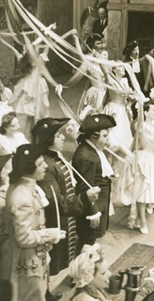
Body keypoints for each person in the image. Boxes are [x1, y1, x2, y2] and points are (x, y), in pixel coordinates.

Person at [33, 118, 101, 276]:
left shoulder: (56, 157)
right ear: (48, 140)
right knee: (50, 263)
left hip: (67, 218)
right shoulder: (47, 165)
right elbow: (55, 202)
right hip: (55, 221)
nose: (63, 137)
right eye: (58, 135)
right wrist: (85, 198)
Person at [0, 144, 65, 301]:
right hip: (25, 258)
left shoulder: (27, 186)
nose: (46, 166)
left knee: (38, 291)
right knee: (30, 295)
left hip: (34, 254)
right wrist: (49, 234)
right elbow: (23, 238)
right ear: (30, 169)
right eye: (40, 164)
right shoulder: (22, 197)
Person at [72, 114, 116, 249]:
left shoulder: (93, 150)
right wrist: (93, 212)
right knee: (87, 243)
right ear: (93, 136)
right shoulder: (87, 157)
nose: (107, 139)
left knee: (90, 241)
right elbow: (86, 188)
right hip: (91, 208)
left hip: (99, 203)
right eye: (104, 136)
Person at [128, 102, 154, 234]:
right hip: (144, 159)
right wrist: (140, 104)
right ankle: (142, 221)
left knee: (150, 191)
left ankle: (141, 218)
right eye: (152, 110)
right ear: (145, 113)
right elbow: (140, 123)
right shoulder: (142, 126)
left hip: (153, 158)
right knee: (142, 191)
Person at [9, 51, 53, 139]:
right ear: (30, 62)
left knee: (39, 119)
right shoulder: (27, 77)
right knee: (32, 120)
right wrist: (11, 101)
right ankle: (29, 140)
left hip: (39, 90)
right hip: (33, 90)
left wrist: (48, 41)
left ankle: (35, 140)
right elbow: (18, 92)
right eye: (33, 58)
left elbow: (44, 54)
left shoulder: (39, 62)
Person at [103, 63, 135, 149]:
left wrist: (132, 98)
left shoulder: (124, 80)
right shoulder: (111, 81)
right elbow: (106, 72)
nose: (123, 68)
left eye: (123, 66)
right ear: (114, 70)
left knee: (124, 132)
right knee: (115, 133)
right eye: (120, 66)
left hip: (123, 109)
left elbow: (129, 94)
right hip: (115, 108)